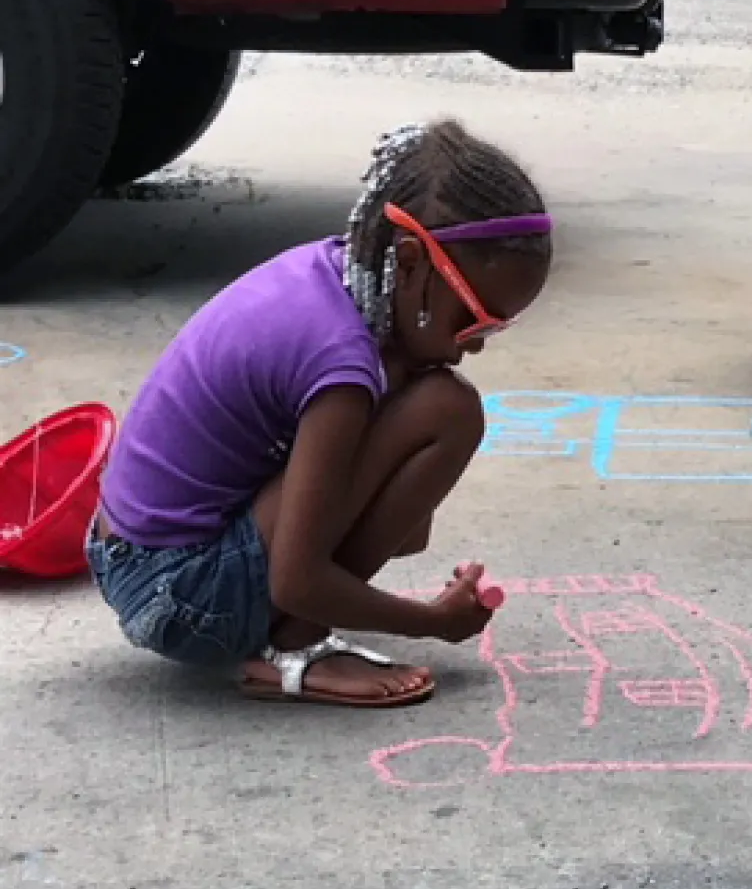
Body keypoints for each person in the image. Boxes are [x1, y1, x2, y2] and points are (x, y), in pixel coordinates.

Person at [85, 118, 555, 708]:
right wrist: (432, 622)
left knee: (428, 399)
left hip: (127, 556)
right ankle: (296, 648)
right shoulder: (342, 366)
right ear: (408, 262)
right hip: (179, 596)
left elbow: (407, 535)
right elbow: (298, 579)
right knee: (449, 410)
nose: (480, 341)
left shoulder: (336, 278)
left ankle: (287, 633)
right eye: (476, 318)